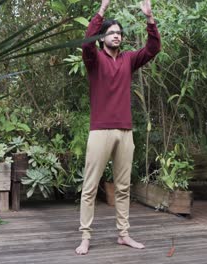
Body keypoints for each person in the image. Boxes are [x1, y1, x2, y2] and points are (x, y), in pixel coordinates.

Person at [75, 0, 161, 255]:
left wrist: (150, 18)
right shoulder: (94, 60)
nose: (116, 36)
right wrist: (101, 10)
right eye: (111, 33)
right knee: (90, 187)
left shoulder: (129, 60)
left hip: (125, 131)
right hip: (100, 131)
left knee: (123, 188)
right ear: (103, 38)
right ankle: (85, 237)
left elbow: (153, 48)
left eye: (119, 33)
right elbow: (86, 41)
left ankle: (123, 235)